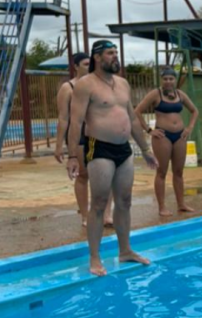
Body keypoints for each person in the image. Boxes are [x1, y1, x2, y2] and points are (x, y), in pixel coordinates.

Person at [67, 40, 159, 277]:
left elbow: (133, 119)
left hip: (124, 149)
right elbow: (75, 122)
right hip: (99, 148)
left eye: (116, 52)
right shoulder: (85, 85)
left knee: (125, 201)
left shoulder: (123, 84)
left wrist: (146, 149)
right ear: (97, 57)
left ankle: (125, 250)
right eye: (110, 53)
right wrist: (71, 156)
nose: (115, 56)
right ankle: (95, 257)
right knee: (98, 202)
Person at [54, 52, 114, 227]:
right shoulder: (68, 88)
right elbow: (63, 118)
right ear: (76, 66)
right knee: (83, 175)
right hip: (79, 135)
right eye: (86, 64)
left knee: (107, 175)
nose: (90, 67)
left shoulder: (100, 85)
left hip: (100, 134)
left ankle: (107, 214)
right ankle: (85, 215)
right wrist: (59, 145)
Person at [134, 68, 199, 217]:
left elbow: (195, 111)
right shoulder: (155, 94)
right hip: (163, 136)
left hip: (180, 136)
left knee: (179, 172)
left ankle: (181, 204)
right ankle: (162, 206)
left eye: (171, 79)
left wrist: (189, 128)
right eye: (165, 79)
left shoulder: (180, 95)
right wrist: (149, 130)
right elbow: (137, 111)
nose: (168, 81)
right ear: (161, 80)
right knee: (162, 172)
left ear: (175, 80)